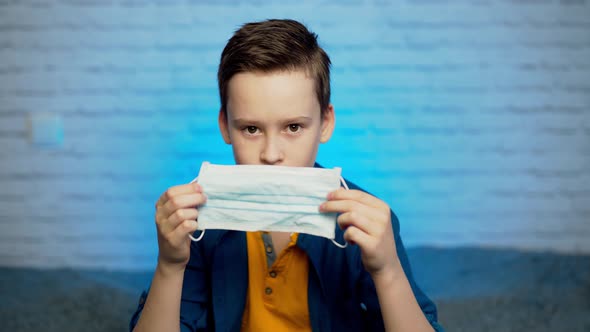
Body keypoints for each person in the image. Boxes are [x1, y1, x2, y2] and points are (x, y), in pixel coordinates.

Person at [130, 19, 444, 332]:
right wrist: (170, 267)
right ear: (225, 126)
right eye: (251, 129)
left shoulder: (366, 224)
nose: (271, 155)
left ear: (325, 123)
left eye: (293, 127)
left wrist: (387, 270)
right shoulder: (197, 224)